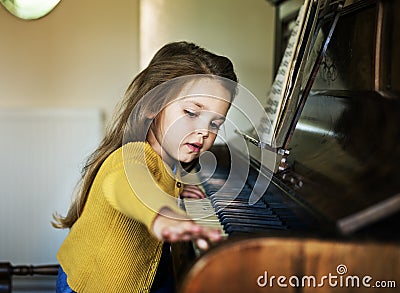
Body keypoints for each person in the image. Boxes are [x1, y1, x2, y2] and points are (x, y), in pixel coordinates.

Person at [52, 41, 238, 293]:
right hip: (89, 285)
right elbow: (127, 183)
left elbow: (155, 179)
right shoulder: (130, 158)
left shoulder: (166, 161)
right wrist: (162, 212)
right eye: (191, 113)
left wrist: (176, 190)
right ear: (152, 106)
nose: (204, 131)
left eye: (215, 123)